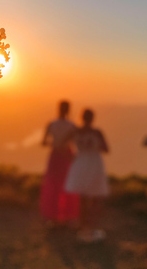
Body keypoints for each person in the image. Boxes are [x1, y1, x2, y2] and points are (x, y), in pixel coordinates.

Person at [65, 109, 109, 242]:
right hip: (94, 163)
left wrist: (73, 155)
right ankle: (91, 226)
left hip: (80, 162)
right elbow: (106, 149)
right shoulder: (97, 132)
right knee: (95, 198)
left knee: (82, 197)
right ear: (92, 118)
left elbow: (62, 144)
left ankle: (83, 225)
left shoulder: (75, 131)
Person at [40, 100, 80, 227]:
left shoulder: (51, 124)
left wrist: (55, 144)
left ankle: (53, 216)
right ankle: (68, 215)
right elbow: (76, 143)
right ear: (68, 110)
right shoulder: (72, 125)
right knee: (68, 184)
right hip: (67, 155)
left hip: (55, 155)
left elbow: (44, 142)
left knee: (53, 184)